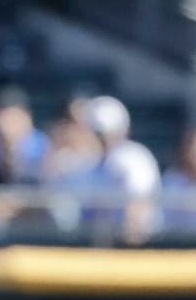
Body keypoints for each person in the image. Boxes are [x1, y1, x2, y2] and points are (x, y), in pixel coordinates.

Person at [62, 94, 162, 243]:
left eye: (104, 132)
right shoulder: (87, 162)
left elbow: (140, 209)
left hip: (133, 245)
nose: (102, 138)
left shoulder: (132, 157)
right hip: (96, 242)